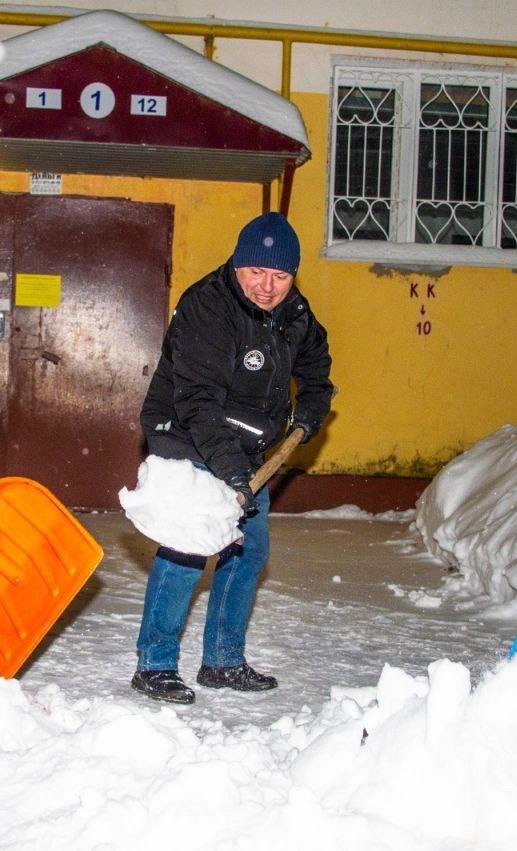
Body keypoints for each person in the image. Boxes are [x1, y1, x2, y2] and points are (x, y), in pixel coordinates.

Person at [131, 212, 334, 704]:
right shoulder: (208, 307)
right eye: (256, 273)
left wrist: (309, 410)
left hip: (248, 449)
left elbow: (316, 363)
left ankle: (222, 660)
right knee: (188, 549)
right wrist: (235, 476)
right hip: (189, 438)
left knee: (246, 552)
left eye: (280, 276)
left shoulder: (295, 312)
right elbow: (197, 403)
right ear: (238, 265)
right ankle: (154, 665)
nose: (267, 287)